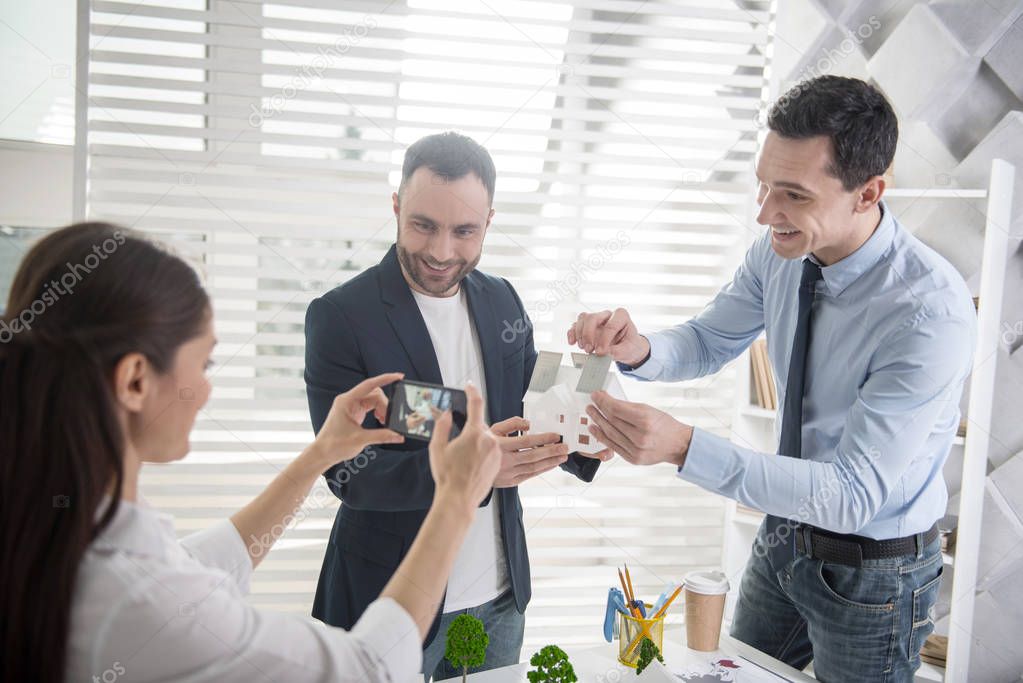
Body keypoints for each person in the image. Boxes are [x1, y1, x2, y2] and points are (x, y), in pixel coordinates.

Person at [568, 76, 976, 682]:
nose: (764, 212)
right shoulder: (779, 251)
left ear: (868, 193)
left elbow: (851, 493)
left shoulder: (929, 312)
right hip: (784, 539)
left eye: (792, 194)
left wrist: (683, 447)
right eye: (763, 184)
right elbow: (709, 340)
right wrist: (640, 346)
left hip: (874, 575)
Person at [0, 222, 502, 683]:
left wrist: (318, 457)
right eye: (204, 362)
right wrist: (455, 501)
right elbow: (366, 669)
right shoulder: (136, 599)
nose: (206, 389)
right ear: (135, 379)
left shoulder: (63, 530)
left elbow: (204, 565)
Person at [305, 131, 611, 680]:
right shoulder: (341, 317)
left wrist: (589, 437)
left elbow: (526, 416)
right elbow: (347, 470)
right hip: (390, 597)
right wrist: (475, 471)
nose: (442, 251)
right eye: (423, 224)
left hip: (497, 594)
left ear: (489, 222)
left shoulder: (503, 302)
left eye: (464, 230)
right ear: (396, 207)